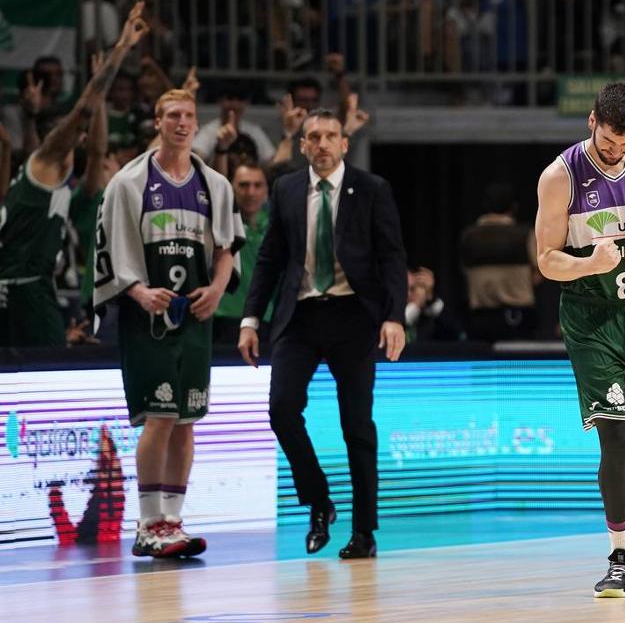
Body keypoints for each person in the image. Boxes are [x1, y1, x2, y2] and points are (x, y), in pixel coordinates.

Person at [534, 82, 625, 597]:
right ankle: (622, 556)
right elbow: (546, 258)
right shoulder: (560, 176)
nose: (616, 152)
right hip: (592, 321)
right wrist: (585, 265)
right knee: (612, 436)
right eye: (608, 143)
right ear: (592, 121)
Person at [238, 110, 407, 560]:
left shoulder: (372, 189)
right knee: (281, 409)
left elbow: (392, 258)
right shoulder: (287, 189)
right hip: (300, 316)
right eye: (314, 137)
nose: (323, 144)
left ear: (345, 144)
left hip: (355, 316)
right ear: (303, 145)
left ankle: (364, 533)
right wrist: (251, 319)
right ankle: (319, 501)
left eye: (331, 136)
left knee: (357, 426)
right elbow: (271, 259)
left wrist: (394, 317)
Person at [94, 76, 245, 560]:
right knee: (158, 417)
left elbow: (227, 249)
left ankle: (172, 521)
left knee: (186, 421)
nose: (181, 124)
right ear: (157, 124)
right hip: (149, 319)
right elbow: (110, 253)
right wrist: (138, 291)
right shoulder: (128, 183)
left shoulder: (214, 184)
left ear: (196, 124)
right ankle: (146, 523)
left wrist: (218, 289)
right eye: (172, 116)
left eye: (188, 116)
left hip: (195, 316)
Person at [1, 5, 145, 347]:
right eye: (76, 134)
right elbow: (84, 110)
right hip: (21, 289)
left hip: (31, 285)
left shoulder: (55, 180)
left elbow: (96, 150)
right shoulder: (46, 161)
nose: (82, 137)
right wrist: (121, 49)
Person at [459, 181, 540, 342]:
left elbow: (464, 271)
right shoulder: (524, 235)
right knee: (521, 366)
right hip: (518, 318)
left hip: (479, 319)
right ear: (514, 207)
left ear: (486, 205)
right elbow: (542, 271)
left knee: (482, 366)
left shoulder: (468, 236)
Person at [213, 160, 271, 346]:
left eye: (257, 185)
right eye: (243, 185)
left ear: (267, 191)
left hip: (266, 318)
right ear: (231, 188)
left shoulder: (279, 225)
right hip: (224, 318)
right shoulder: (219, 222)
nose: (251, 192)